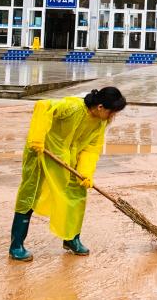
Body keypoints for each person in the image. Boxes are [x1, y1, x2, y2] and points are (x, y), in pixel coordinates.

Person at [9, 87, 127, 261]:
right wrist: (36, 138)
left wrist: (86, 172)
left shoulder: (100, 123)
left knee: (77, 194)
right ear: (100, 107)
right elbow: (43, 106)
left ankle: (72, 239)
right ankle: (16, 245)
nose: (112, 117)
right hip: (41, 152)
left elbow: (91, 148)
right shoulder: (72, 107)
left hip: (67, 160)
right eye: (112, 112)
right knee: (30, 194)